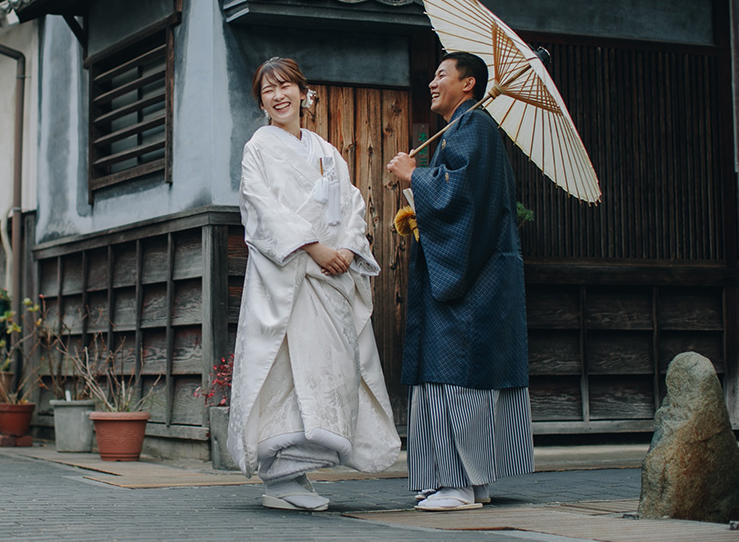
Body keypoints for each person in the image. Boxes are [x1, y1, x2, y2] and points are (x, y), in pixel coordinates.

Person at [229, 57, 400, 512]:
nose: (278, 95)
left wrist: (345, 247)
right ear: (261, 101)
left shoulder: (326, 152)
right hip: (288, 279)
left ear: (305, 93)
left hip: (329, 281)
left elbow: (352, 204)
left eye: (286, 86)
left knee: (334, 370)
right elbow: (261, 208)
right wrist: (313, 247)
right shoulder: (258, 148)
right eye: (268, 90)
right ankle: (281, 474)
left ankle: (297, 473)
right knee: (283, 368)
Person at [386, 51, 534, 512]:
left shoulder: (472, 128)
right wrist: (419, 198)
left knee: (454, 372)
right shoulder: (468, 130)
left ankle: (457, 485)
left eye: (441, 75)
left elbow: (460, 201)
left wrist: (414, 176)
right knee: (460, 374)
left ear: (468, 84)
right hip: (482, 275)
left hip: (470, 281)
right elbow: (459, 199)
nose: (432, 83)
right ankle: (472, 482)